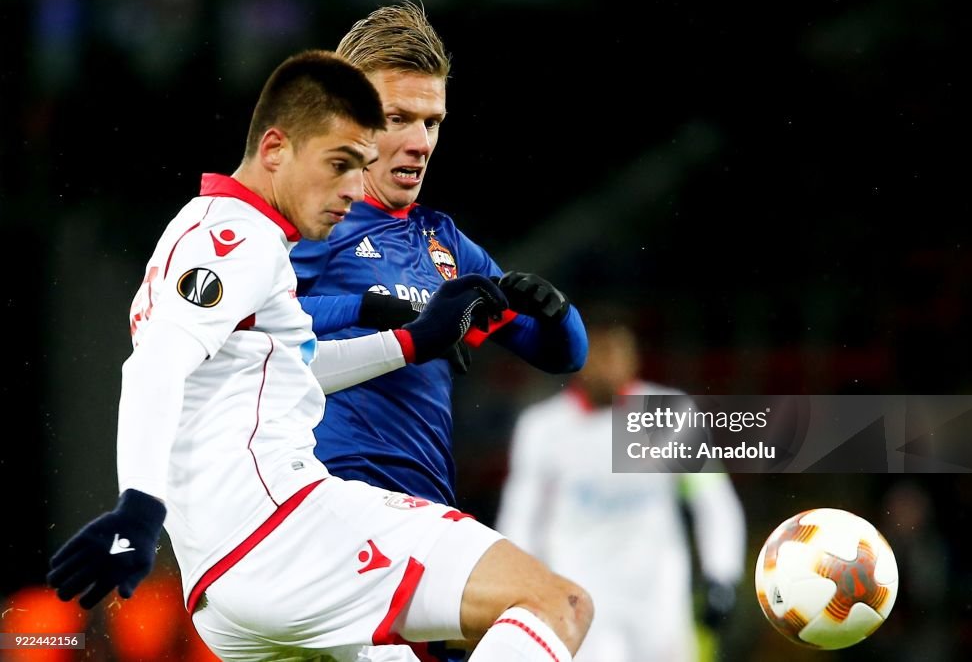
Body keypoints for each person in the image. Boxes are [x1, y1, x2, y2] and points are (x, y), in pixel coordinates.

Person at [46, 50, 593, 662]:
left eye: (360, 167)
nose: (354, 189)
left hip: (223, 591)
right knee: (558, 604)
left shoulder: (207, 230)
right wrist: (138, 508)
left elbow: (285, 372)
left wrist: (410, 343)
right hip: (284, 529)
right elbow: (154, 366)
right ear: (275, 149)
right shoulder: (239, 239)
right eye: (339, 164)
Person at [290, 1, 588, 510]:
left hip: (425, 505)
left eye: (431, 123)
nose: (419, 143)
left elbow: (563, 355)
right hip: (331, 499)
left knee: (548, 594)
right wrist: (369, 308)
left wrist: (555, 311)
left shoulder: (442, 241)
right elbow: (247, 325)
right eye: (397, 118)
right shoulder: (309, 220)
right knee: (552, 595)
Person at [496, 308, 746, 662]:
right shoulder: (543, 428)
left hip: (659, 595)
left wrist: (722, 574)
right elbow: (520, 516)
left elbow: (713, 501)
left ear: (633, 358)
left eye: (617, 352)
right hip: (579, 594)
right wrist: (519, 589)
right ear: (579, 356)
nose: (608, 364)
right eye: (599, 353)